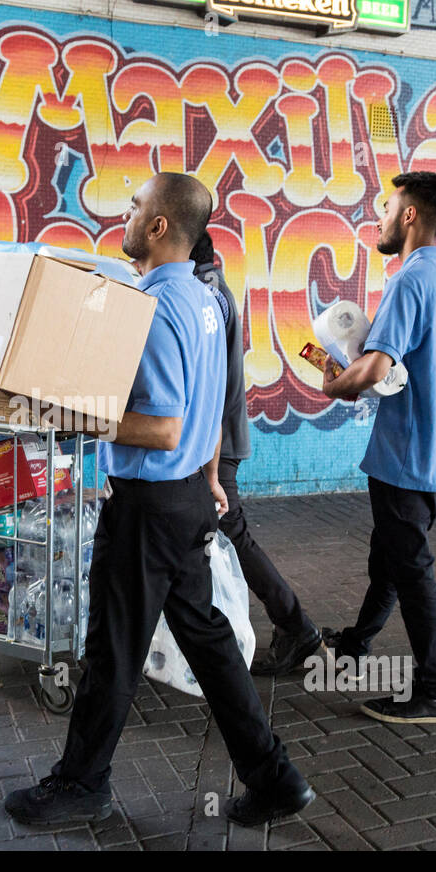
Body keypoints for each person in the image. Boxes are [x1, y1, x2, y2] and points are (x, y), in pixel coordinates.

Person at [4, 173, 314, 827]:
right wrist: (208, 479)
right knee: (210, 643)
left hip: (149, 507)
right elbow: (207, 406)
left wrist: (74, 414)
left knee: (114, 645)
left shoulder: (152, 305)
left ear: (158, 226)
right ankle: (276, 779)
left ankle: (82, 784)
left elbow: (164, 424)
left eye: (137, 204)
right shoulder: (205, 301)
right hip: (185, 501)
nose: (128, 210)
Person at [319, 171, 436, 724]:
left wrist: (334, 383)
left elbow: (376, 365)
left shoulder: (410, 280)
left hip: (407, 451)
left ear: (410, 214)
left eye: (388, 207)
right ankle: (355, 645)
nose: (381, 217)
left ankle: (434, 690)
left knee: (410, 566)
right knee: (390, 555)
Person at [190, 233, 325, 676]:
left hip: (216, 444)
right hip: (216, 441)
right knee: (213, 536)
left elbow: (208, 386)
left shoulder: (206, 295)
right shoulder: (212, 289)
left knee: (233, 535)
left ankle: (296, 626)